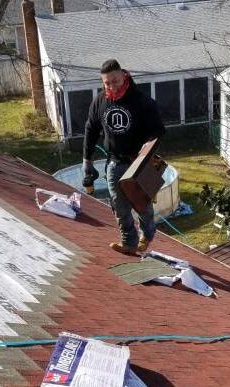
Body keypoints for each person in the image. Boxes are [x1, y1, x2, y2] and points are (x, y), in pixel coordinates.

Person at [83, 59, 165, 255]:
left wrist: (149, 144)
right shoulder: (100, 101)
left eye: (115, 81)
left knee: (142, 205)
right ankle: (129, 242)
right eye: (107, 83)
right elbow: (91, 129)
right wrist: (87, 159)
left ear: (124, 76)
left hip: (140, 163)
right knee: (119, 206)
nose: (111, 86)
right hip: (115, 161)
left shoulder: (142, 101)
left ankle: (148, 234)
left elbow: (158, 130)